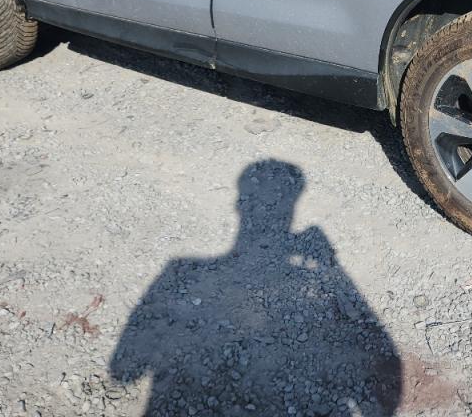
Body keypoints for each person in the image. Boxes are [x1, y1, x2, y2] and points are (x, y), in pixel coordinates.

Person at [110, 159, 402, 416]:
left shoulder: (180, 271)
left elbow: (123, 371)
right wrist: (331, 268)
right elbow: (386, 375)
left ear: (238, 206)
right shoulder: (183, 269)